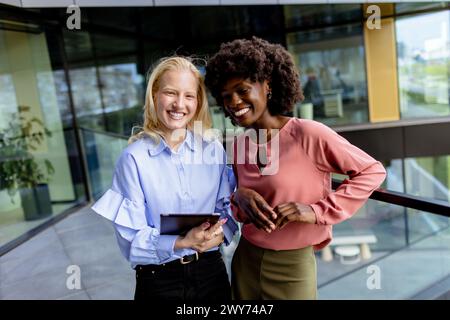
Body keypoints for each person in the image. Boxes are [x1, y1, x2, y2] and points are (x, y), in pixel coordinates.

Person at [205, 37, 386, 300]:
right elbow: (240, 211)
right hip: (246, 259)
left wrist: (316, 211)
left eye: (242, 90)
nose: (234, 101)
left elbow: (372, 171)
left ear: (267, 86)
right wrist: (238, 198)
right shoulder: (241, 143)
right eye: (226, 96)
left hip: (293, 268)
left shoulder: (308, 133)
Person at [92, 56, 238, 301]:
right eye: (170, 93)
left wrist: (219, 234)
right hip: (160, 281)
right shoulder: (134, 159)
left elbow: (227, 211)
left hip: (211, 272)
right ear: (154, 96)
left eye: (189, 96)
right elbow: (131, 241)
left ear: (198, 101)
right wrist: (181, 241)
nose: (179, 104)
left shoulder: (213, 150)